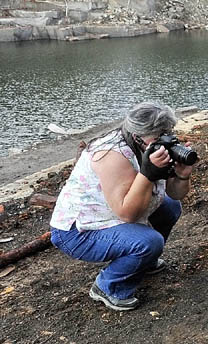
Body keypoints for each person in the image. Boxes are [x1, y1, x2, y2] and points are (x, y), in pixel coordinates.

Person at [49, 101, 195, 311]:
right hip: (77, 231)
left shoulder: (150, 146)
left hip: (109, 214)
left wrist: (182, 175)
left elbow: (175, 194)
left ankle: (143, 261)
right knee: (149, 241)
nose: (164, 141)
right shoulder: (112, 154)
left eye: (167, 133)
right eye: (158, 136)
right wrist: (148, 173)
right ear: (138, 135)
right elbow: (127, 213)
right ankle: (109, 286)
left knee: (171, 206)